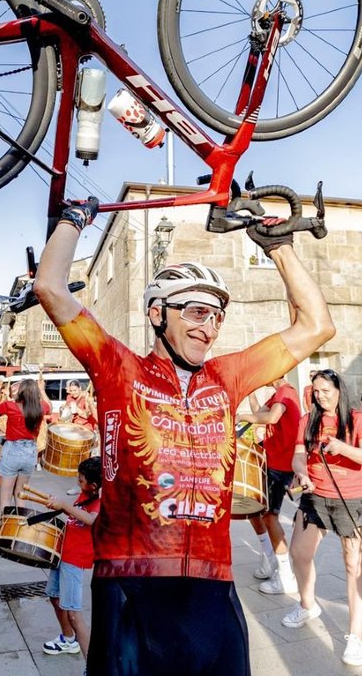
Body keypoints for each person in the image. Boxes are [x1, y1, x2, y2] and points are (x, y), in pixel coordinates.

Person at [33, 197, 334, 676]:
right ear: (157, 313)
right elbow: (50, 287)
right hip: (131, 580)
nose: (209, 327)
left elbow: (317, 327)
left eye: (216, 317)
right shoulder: (120, 369)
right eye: (196, 312)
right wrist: (74, 220)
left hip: (212, 582)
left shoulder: (227, 375)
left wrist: (280, 249)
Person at [283, 369, 362, 667]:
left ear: (340, 389)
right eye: (316, 391)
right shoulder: (308, 419)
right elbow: (298, 454)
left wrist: (341, 447)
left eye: (325, 390)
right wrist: (301, 471)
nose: (320, 395)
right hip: (315, 495)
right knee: (299, 553)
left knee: (354, 565)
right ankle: (307, 605)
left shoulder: (358, 419)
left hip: (352, 500)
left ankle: (355, 635)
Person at [239, 379, 301, 595]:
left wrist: (241, 417)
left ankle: (286, 577)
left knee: (270, 517)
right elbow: (260, 414)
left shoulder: (286, 391)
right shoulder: (278, 395)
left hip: (281, 464)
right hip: (272, 460)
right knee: (255, 510)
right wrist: (251, 393)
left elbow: (271, 417)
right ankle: (269, 558)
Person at [41, 456, 101, 660]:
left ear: (94, 485)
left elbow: (91, 520)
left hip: (74, 561)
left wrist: (64, 506)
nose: (78, 483)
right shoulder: (85, 494)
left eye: (81, 480)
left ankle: (92, 665)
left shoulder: (100, 502)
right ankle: (68, 640)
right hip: (62, 555)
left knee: (75, 615)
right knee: (54, 597)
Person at [0, 379, 47, 511]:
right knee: (20, 496)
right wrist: (42, 389)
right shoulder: (41, 407)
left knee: (5, 499)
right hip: (30, 453)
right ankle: (18, 528)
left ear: (21, 392)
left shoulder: (10, 406)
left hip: (12, 451)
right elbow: (50, 407)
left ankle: (3, 530)